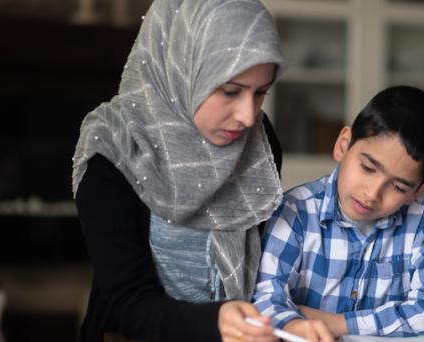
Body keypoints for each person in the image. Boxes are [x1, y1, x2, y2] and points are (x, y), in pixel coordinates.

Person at [71, 0, 289, 341]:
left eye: (261, 93)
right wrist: (213, 321)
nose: (247, 116)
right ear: (182, 67)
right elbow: (127, 304)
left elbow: (266, 272)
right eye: (230, 91)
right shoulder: (116, 145)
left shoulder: (259, 143)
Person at [252, 85, 424, 339]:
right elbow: (265, 298)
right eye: (367, 168)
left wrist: (338, 324)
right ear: (343, 145)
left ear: (418, 189)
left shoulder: (423, 218)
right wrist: (294, 325)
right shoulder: (295, 211)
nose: (372, 193)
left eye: (397, 186)